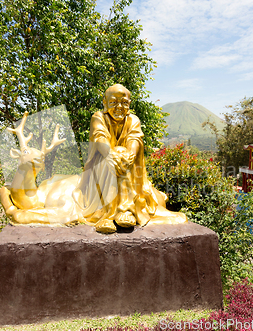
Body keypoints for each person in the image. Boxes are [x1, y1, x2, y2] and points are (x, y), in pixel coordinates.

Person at [74, 84, 186, 233]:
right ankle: (106, 215)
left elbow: (135, 138)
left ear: (129, 104)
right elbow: (99, 136)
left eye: (124, 103)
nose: (119, 106)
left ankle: (125, 210)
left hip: (127, 166)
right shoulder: (98, 117)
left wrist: (128, 154)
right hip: (101, 167)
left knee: (122, 155)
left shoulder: (133, 120)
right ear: (105, 103)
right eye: (114, 102)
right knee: (115, 157)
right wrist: (111, 155)